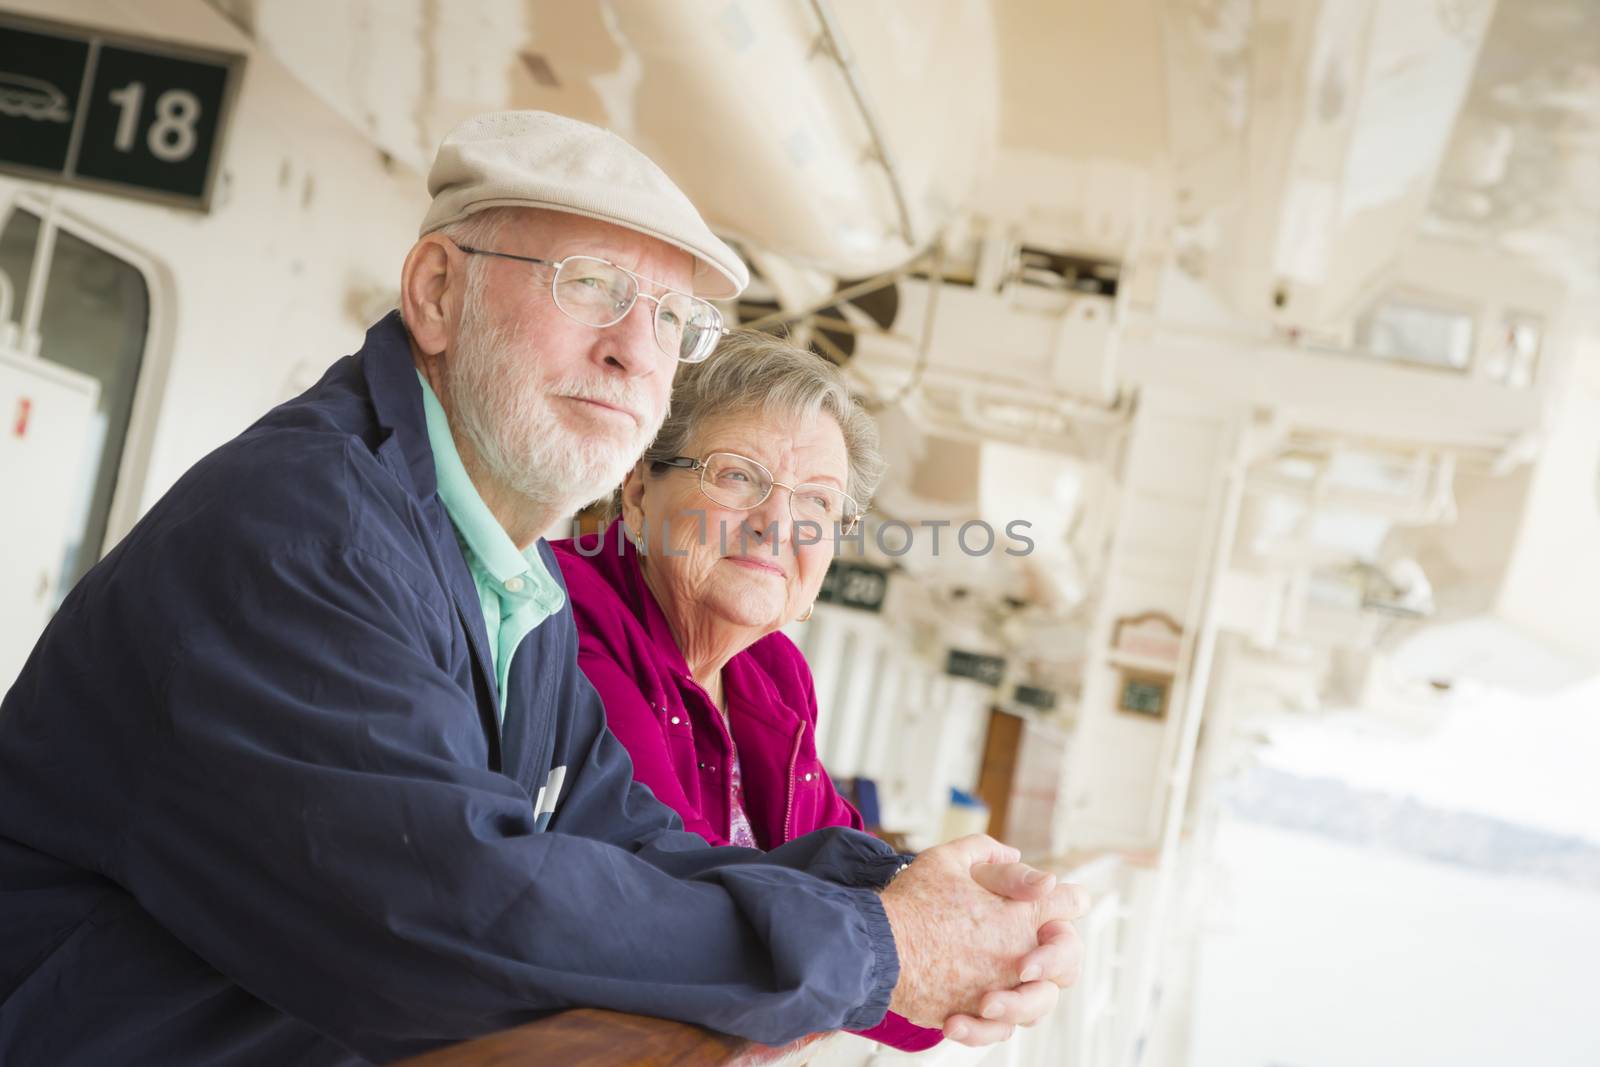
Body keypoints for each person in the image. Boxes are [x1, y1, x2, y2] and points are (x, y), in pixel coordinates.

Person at [0, 110, 1086, 1066]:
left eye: (670, 320)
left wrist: (919, 896)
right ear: (437, 291)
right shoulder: (306, 531)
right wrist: (882, 943)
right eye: (592, 289)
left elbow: (630, 840)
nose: (633, 351)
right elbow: (447, 920)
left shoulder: (510, 582)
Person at [552, 330, 941, 1051]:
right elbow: (677, 914)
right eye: (737, 476)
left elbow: (898, 976)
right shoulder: (570, 617)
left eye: (817, 503)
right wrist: (908, 951)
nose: (776, 524)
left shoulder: (773, 674)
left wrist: (973, 927)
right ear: (637, 490)